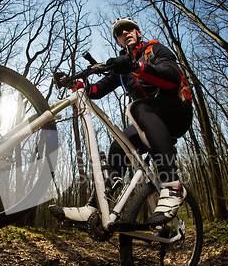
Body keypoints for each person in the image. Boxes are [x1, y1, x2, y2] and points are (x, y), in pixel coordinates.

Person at [49, 17, 193, 226]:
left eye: (129, 29)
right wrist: (75, 83)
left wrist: (137, 66)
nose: (125, 33)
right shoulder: (122, 67)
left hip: (176, 112)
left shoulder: (156, 50)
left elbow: (172, 77)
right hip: (148, 121)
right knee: (119, 146)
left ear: (138, 32)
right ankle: (96, 206)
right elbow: (97, 90)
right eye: (119, 33)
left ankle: (172, 184)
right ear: (118, 42)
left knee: (138, 106)